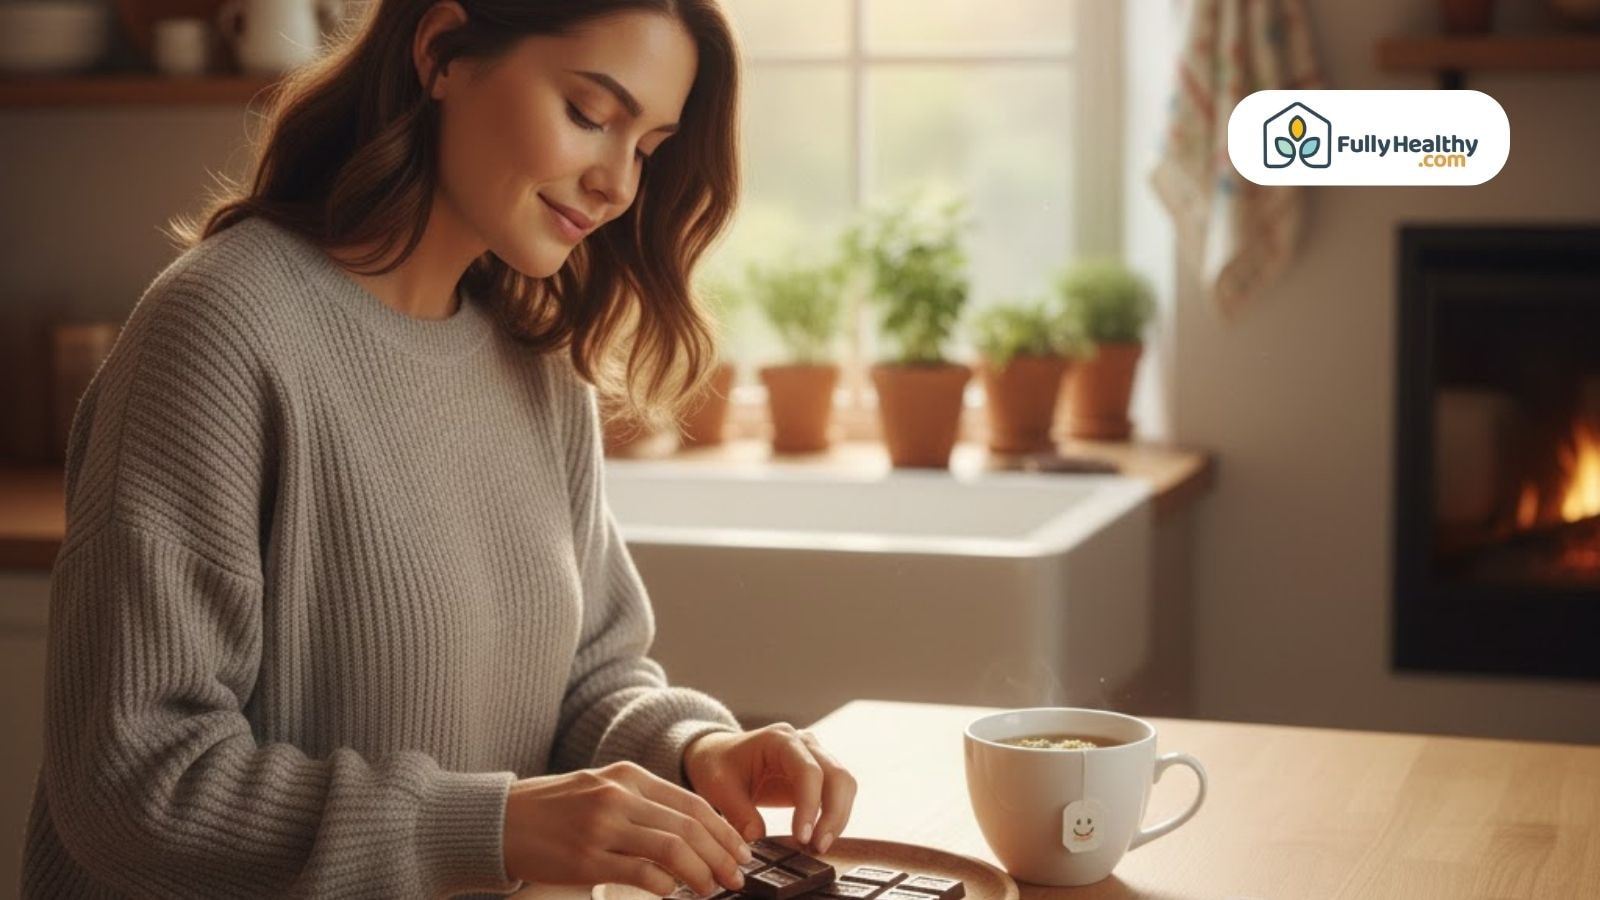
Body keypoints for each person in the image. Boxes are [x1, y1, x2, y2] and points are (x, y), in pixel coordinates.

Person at [19, 0, 857, 896]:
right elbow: (131, 783)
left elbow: (587, 683)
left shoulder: (538, 363)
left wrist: (696, 750)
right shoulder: (221, 331)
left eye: (647, 148)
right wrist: (491, 825)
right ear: (443, 50)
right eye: (589, 115)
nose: (617, 181)